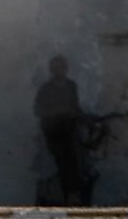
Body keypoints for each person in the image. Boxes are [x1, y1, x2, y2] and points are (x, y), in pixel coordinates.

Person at [34, 54, 94, 206]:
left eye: (62, 68)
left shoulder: (71, 86)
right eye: (57, 68)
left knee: (76, 162)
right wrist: (58, 112)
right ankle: (68, 195)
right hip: (54, 132)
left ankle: (75, 195)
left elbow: (75, 107)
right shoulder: (46, 89)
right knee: (63, 163)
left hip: (70, 130)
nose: (60, 71)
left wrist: (86, 120)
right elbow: (39, 110)